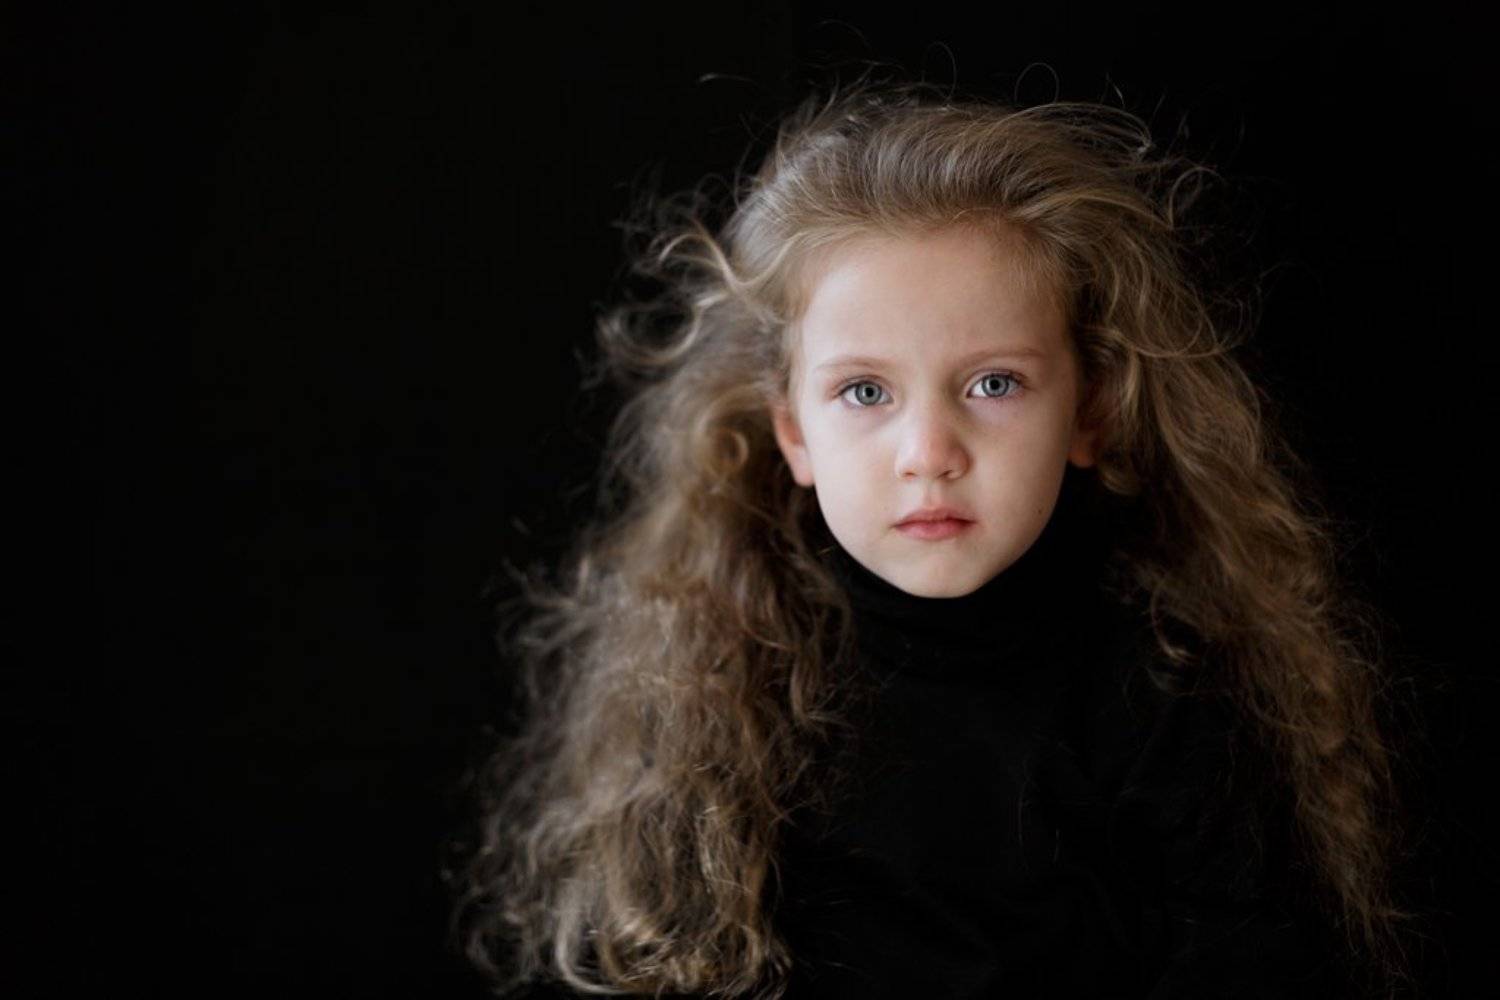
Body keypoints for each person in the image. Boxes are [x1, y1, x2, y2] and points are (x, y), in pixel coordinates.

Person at [445, 73, 1423, 999]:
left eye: (993, 384)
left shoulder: (1171, 694)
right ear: (794, 433)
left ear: (1090, 412)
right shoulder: (721, 683)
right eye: (864, 392)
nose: (928, 454)